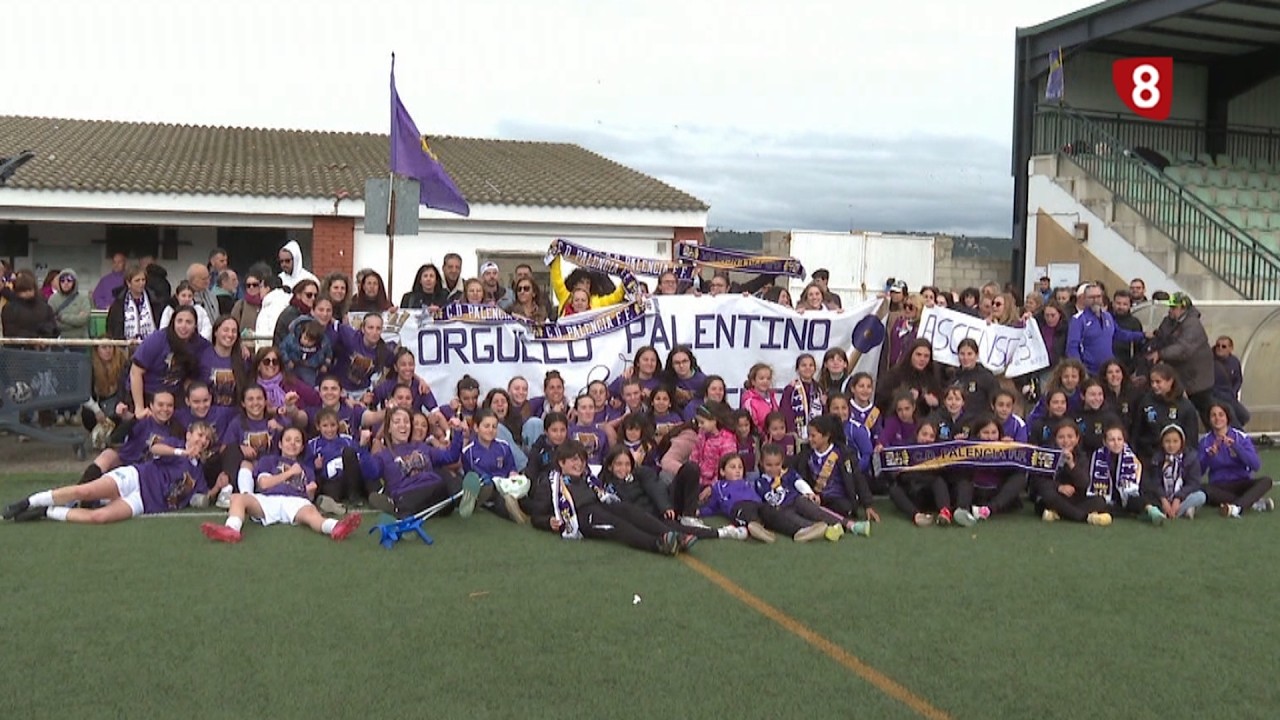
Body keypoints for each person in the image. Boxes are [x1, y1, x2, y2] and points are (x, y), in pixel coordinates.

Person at [3, 422, 218, 524]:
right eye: (198, 435)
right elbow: (155, 449)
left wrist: (219, 487)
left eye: (205, 439)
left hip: (145, 502)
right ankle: (28, 502)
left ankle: (48, 512)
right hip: (135, 478)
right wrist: (181, 451)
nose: (200, 441)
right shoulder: (174, 444)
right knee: (85, 491)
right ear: (189, 433)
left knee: (100, 517)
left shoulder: (198, 472)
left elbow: (202, 497)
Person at [200, 427, 363, 543]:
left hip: (295, 501)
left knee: (312, 515)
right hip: (268, 499)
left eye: (297, 441)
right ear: (280, 444)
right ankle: (232, 530)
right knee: (238, 498)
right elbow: (264, 483)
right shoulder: (269, 461)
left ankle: (335, 527)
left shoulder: (307, 468)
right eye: (288, 440)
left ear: (301, 447)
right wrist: (290, 473)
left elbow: (309, 494)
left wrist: (311, 490)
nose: (292, 444)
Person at [526, 440, 690, 555]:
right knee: (617, 525)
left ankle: (673, 535)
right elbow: (536, 515)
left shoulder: (588, 478)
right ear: (561, 463)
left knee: (627, 510)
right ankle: (658, 544)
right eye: (573, 460)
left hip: (599, 505)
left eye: (582, 460)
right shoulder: (550, 483)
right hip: (583, 516)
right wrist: (548, 522)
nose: (579, 464)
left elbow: (604, 493)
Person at [1199, 401, 1274, 518]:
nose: (1217, 418)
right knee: (1201, 489)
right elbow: (1198, 472)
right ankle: (1250, 503)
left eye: (1221, 415)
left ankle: (1236, 507)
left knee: (1266, 481)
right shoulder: (1205, 441)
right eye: (1213, 415)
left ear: (1227, 417)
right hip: (1219, 486)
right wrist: (1209, 456)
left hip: (1241, 483)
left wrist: (1237, 448)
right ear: (1209, 419)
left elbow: (1255, 465)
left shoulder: (1240, 437)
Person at [1148, 292, 1215, 420]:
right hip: (1182, 375)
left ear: (1183, 308)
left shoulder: (1193, 325)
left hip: (1197, 379)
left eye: (1174, 307)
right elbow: (1162, 336)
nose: (1170, 310)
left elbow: (1183, 349)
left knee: (1206, 411)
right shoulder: (1170, 320)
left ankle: (1222, 435)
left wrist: (1161, 353)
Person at [1066, 283, 1144, 375]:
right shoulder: (1078, 320)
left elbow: (1118, 334)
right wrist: (1080, 370)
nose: (1095, 300)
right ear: (1085, 299)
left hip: (1107, 371)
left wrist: (1143, 335)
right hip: (1089, 372)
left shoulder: (1107, 316)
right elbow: (1072, 347)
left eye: (1098, 296)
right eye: (1091, 297)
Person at [1142, 425, 1206, 520]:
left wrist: (1178, 498)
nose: (1171, 445)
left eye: (1175, 441)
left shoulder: (1191, 458)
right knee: (1145, 496)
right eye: (1167, 441)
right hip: (1162, 497)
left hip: (1182, 497)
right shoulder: (1157, 458)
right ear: (1162, 443)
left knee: (1201, 496)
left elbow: (1193, 483)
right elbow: (1155, 482)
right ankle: (1178, 511)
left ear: (1182, 442)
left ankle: (1173, 512)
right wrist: (1163, 499)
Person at [106, 264, 162, 341]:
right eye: (137, 280)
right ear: (129, 283)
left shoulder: (154, 301)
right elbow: (112, 327)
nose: (141, 283)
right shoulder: (119, 303)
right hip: (125, 346)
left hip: (150, 345)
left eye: (143, 280)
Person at [1211, 335, 1249, 427]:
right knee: (1232, 417)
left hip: (1230, 396)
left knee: (1245, 416)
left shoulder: (1234, 362)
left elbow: (1238, 379)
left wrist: (1234, 391)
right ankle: (1238, 436)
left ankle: (1231, 432)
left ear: (1230, 348)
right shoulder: (1210, 362)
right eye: (1218, 345)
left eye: (1224, 346)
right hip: (1216, 397)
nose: (1220, 348)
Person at [230, 264, 270, 338]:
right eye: (248, 285)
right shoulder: (240, 305)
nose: (251, 287)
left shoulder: (268, 303)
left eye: (255, 285)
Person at [49, 271, 89, 340]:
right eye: (62, 280)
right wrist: (75, 321)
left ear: (75, 282)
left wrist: (62, 317)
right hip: (59, 341)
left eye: (69, 280)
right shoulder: (53, 299)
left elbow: (83, 319)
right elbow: (51, 321)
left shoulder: (83, 298)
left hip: (80, 340)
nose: (66, 283)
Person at [1110, 290, 1143, 371]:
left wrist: (1133, 368)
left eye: (1125, 304)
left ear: (1130, 306)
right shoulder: (1106, 319)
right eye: (1118, 303)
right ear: (1113, 303)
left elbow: (1139, 349)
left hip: (1125, 366)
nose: (1121, 307)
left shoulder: (1134, 323)